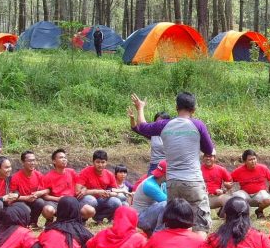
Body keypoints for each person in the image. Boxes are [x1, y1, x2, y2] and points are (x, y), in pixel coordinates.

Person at [130, 92, 214, 234]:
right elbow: (209, 150)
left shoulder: (165, 125)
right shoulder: (198, 125)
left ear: (176, 107)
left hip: (172, 182)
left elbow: (142, 127)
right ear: (194, 109)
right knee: (200, 224)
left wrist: (140, 108)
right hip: (193, 181)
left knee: (173, 224)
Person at [76, 150, 122, 224]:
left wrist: (108, 193)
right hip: (86, 200)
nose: (100, 165)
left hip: (100, 200)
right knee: (92, 200)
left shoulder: (109, 174)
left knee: (117, 202)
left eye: (103, 162)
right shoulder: (86, 172)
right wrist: (97, 191)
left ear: (106, 162)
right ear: (93, 162)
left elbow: (116, 192)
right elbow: (77, 191)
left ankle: (98, 217)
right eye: (98, 162)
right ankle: (81, 219)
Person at [41, 149, 85, 223]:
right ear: (54, 161)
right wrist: (57, 199)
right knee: (47, 210)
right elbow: (44, 196)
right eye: (61, 158)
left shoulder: (71, 172)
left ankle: (81, 220)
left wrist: (83, 190)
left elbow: (81, 185)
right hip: (56, 202)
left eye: (65, 158)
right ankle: (50, 219)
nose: (64, 159)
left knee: (90, 211)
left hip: (72, 201)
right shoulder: (48, 176)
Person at [10, 150, 50, 227]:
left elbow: (48, 189)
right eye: (29, 161)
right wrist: (26, 198)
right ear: (23, 162)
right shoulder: (15, 177)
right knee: (25, 209)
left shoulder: (38, 175)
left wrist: (39, 193)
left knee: (40, 202)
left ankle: (33, 223)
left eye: (34, 160)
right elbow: (12, 196)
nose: (32, 163)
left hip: (33, 200)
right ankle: (23, 224)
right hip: (20, 200)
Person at [231, 149, 270, 219]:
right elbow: (229, 180)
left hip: (259, 194)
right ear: (245, 161)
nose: (253, 161)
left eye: (254, 159)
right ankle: (243, 214)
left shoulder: (263, 168)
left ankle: (259, 211)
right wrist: (227, 186)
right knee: (236, 197)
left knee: (267, 199)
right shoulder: (239, 171)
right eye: (250, 160)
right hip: (245, 194)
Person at [132, 161, 168, 235]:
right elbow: (169, 201)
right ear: (165, 175)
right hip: (140, 218)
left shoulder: (162, 182)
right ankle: (158, 234)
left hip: (148, 215)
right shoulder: (150, 185)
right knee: (165, 204)